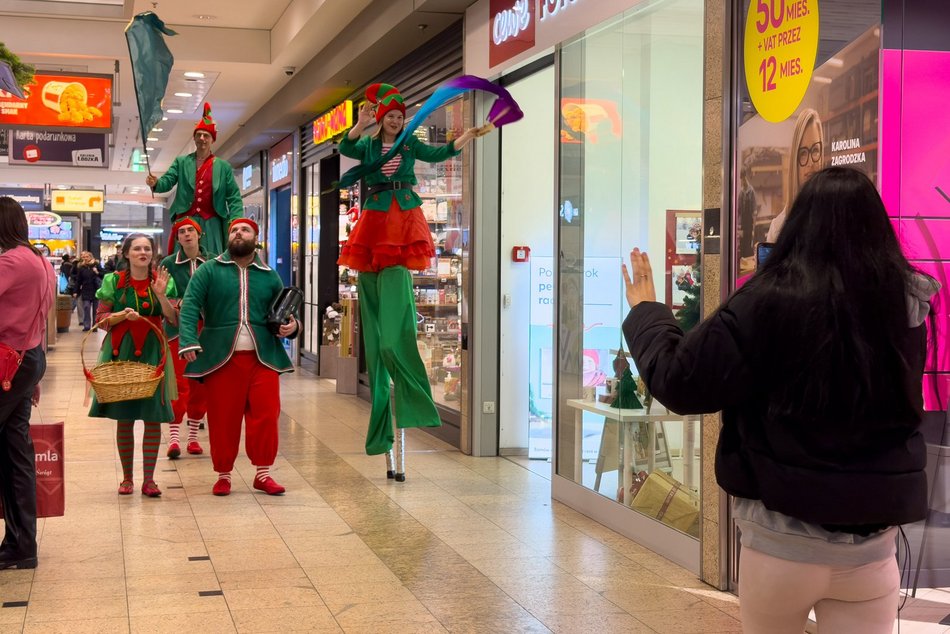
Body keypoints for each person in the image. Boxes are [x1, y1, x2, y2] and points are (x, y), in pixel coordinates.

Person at [620, 167, 940, 634]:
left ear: (797, 228)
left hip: (779, 547)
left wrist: (646, 312)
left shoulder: (767, 301)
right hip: (871, 551)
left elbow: (680, 381)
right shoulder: (905, 306)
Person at [338, 83, 477, 481]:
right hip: (375, 218)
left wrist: (463, 139)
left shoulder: (410, 144)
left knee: (391, 339)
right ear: (382, 118)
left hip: (403, 217)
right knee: (377, 336)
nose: (397, 121)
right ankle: (385, 427)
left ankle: (410, 397)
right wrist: (359, 125)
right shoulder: (369, 145)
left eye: (401, 117)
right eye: (392, 117)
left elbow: (438, 154)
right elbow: (347, 149)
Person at [178, 218, 298, 496]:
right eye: (234, 230)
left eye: (245, 230)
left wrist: (292, 326)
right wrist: (189, 340)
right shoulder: (209, 270)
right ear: (228, 237)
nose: (238, 233)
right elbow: (191, 305)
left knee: (266, 415)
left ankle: (263, 474)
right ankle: (223, 475)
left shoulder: (269, 274)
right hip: (221, 358)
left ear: (256, 238)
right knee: (223, 419)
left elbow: (284, 313)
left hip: (263, 358)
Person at [89, 234, 179, 497]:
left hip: (153, 352)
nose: (143, 252)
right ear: (126, 253)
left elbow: (173, 319)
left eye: (147, 248)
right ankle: (127, 478)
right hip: (121, 353)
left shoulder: (162, 281)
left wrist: (161, 296)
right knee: (124, 416)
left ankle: (149, 480)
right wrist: (120, 315)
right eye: (137, 248)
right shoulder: (113, 281)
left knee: (153, 416)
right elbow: (100, 320)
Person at [0, 197, 55, 570]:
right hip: (25, 360)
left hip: (9, 363)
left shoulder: (10, 262)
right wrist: (32, 376)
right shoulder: (40, 260)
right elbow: (40, 317)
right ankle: (22, 545)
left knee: (15, 452)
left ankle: (20, 544)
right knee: (14, 451)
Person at [146, 102, 243, 257]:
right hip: (186, 221)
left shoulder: (223, 167)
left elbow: (234, 197)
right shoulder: (181, 162)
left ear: (212, 140)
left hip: (212, 223)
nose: (202, 138)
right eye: (199, 135)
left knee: (212, 260)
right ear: (194, 138)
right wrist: (156, 183)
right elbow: (168, 181)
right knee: (182, 261)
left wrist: (236, 221)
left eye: (206, 135)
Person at [160, 218, 207, 458]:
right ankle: (174, 438)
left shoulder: (213, 262)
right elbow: (164, 296)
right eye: (181, 232)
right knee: (178, 383)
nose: (186, 234)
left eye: (191, 230)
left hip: (206, 330)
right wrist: (180, 303)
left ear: (200, 234)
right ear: (177, 238)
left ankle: (194, 438)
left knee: (201, 384)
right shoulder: (168, 263)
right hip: (176, 329)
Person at [766, 108, 823, 242]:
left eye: (815, 150)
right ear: (794, 162)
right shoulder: (778, 229)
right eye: (803, 153)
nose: (810, 162)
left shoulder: (835, 218)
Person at [73, 252, 102, 331]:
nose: (85, 258)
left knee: (96, 309)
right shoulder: (81, 267)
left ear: (91, 257)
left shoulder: (96, 265)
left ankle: (95, 326)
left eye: (87, 256)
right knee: (86, 307)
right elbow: (78, 280)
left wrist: (97, 272)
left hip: (96, 290)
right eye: (84, 257)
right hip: (86, 290)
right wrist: (75, 291)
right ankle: (87, 325)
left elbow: (103, 274)